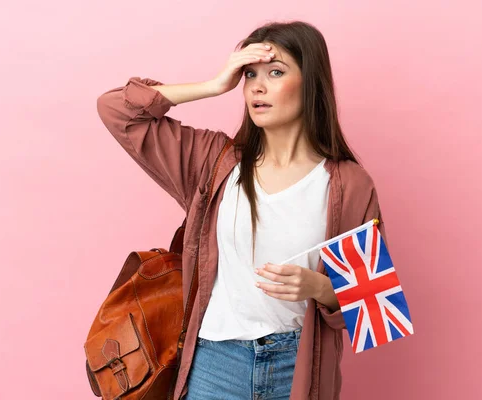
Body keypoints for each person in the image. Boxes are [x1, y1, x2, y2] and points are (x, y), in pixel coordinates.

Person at [97, 20, 388, 400]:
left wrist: (320, 287)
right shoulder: (213, 163)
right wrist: (214, 85)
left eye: (276, 72)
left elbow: (372, 303)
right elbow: (116, 109)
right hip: (215, 365)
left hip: (298, 366)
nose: (257, 86)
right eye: (250, 74)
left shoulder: (348, 184)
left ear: (311, 83)